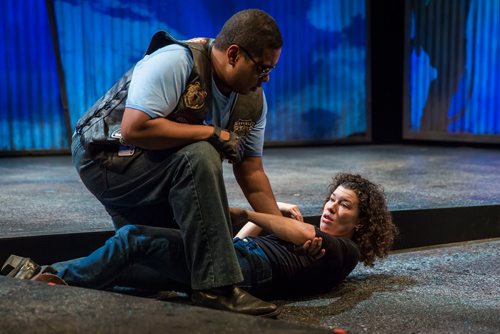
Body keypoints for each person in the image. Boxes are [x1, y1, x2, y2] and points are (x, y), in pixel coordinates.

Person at [69, 9, 284, 316]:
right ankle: (216, 290)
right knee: (201, 151)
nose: (266, 79)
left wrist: (282, 229)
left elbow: (251, 171)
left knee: (157, 264)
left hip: (154, 166)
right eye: (262, 69)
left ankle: (45, 276)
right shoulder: (176, 60)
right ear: (234, 54)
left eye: (270, 70)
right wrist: (209, 132)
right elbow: (134, 128)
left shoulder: (252, 99)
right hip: (104, 158)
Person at [3, 173, 397, 308]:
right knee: (123, 278)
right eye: (330, 199)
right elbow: (242, 240)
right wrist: (274, 210)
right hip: (237, 260)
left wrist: (250, 212)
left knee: (133, 238)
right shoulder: (316, 243)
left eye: (343, 205)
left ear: (362, 224)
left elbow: (300, 232)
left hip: (248, 269)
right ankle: (45, 284)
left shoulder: (346, 251)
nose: (330, 207)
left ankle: (44, 275)